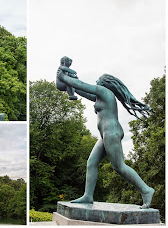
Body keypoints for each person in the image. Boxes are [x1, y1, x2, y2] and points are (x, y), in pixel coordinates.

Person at [57, 71, 154, 209]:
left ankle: (146, 190)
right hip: (105, 134)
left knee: (119, 166)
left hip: (112, 132)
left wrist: (63, 77)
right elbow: (80, 89)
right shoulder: (100, 96)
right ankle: (88, 196)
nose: (96, 80)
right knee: (91, 162)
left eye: (99, 79)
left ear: (104, 83)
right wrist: (69, 81)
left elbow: (81, 85)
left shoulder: (105, 92)